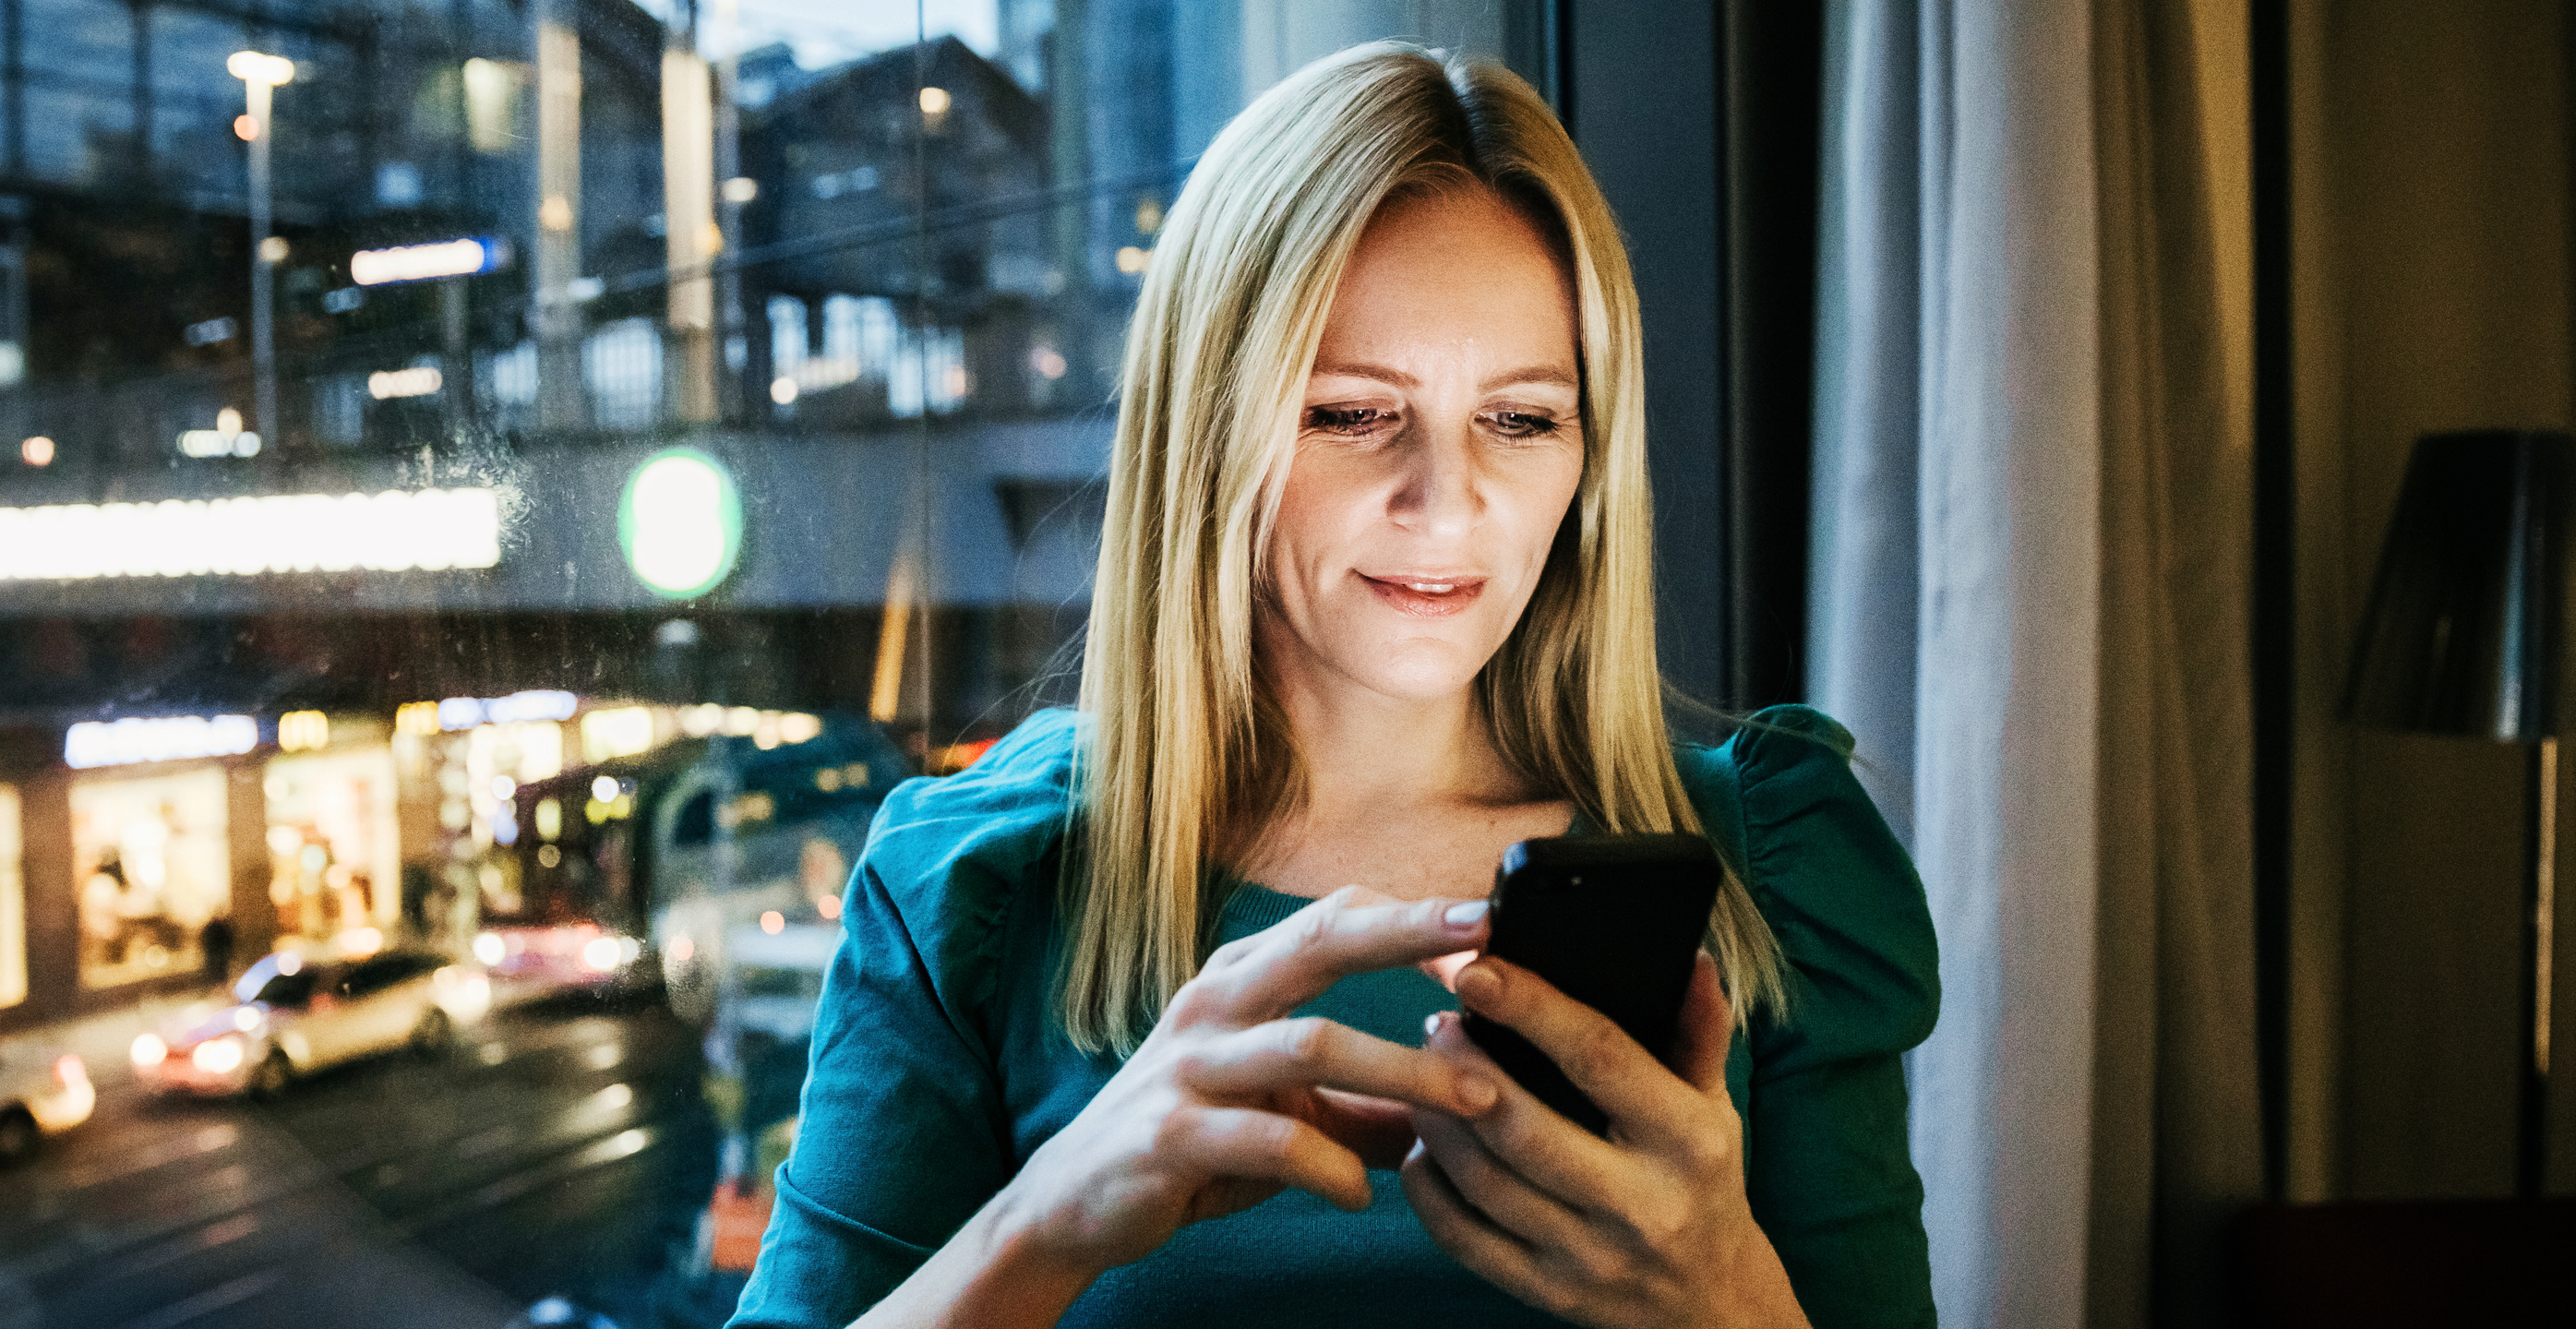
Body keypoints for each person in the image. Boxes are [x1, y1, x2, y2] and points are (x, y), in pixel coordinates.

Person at [727, 42, 1935, 1329]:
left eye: (1522, 419)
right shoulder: (981, 888)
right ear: (1213, 432)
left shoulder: (1772, 874)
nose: (1446, 498)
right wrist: (1048, 1218)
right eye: (1353, 413)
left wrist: (1730, 1302)